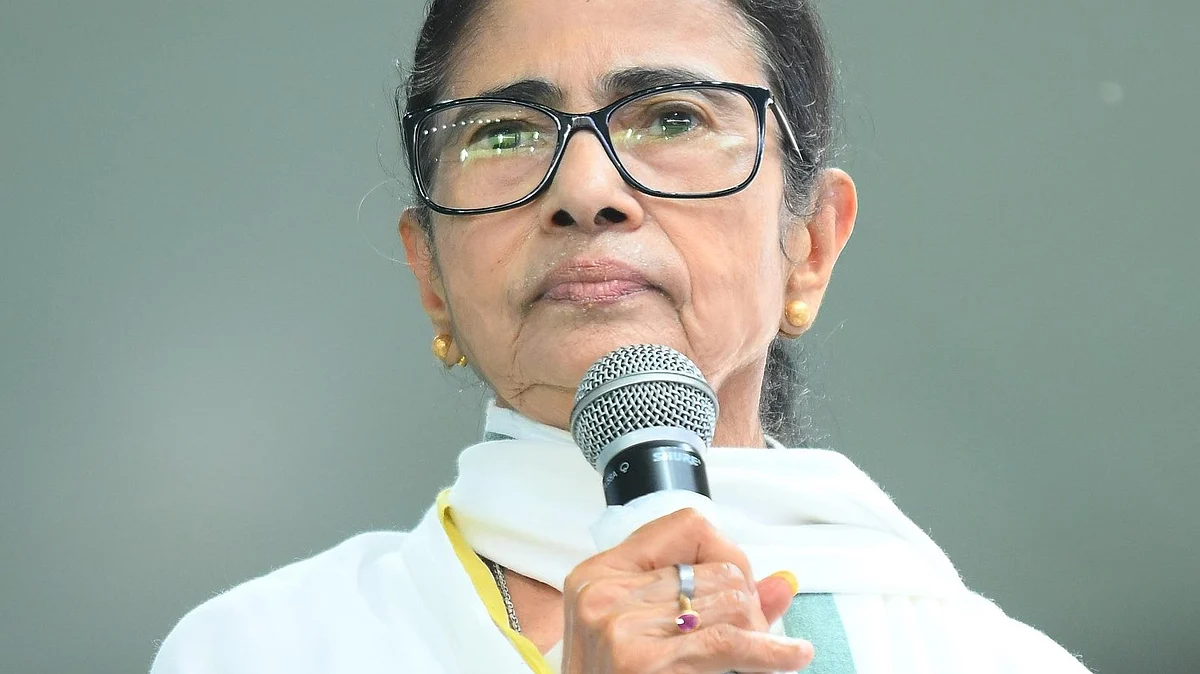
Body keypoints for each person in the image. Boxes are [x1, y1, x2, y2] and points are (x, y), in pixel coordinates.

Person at [150, 0, 1091, 671]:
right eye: (506, 132)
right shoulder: (264, 648)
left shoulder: (978, 658)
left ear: (809, 245)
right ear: (431, 275)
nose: (586, 189)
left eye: (673, 117)